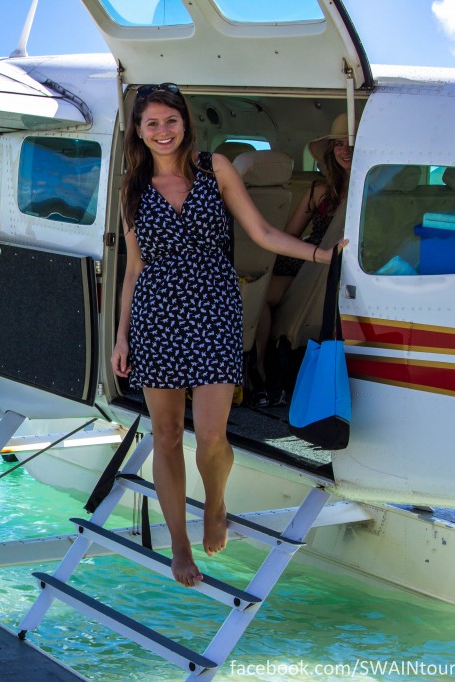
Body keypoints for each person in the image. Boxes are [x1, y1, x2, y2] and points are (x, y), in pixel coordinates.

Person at [110, 84, 346, 587]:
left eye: (170, 120)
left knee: (213, 436)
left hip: (215, 308)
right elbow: (134, 269)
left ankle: (214, 503)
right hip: (156, 315)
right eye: (151, 123)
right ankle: (178, 544)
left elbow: (261, 232)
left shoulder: (213, 168)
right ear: (138, 130)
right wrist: (121, 336)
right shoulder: (132, 186)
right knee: (168, 435)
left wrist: (321, 256)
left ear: (184, 122)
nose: (162, 131)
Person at [253, 114, 354, 406]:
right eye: (338, 144)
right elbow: (289, 236)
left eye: (351, 143)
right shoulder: (319, 191)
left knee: (258, 296)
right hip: (302, 262)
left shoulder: (369, 195)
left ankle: (266, 374)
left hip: (328, 270)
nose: (344, 150)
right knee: (254, 293)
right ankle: (262, 369)